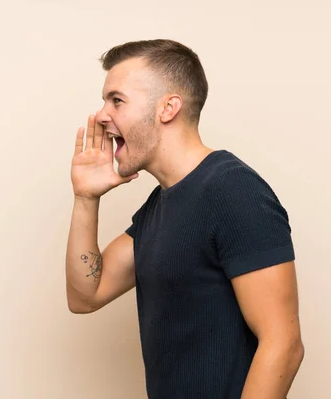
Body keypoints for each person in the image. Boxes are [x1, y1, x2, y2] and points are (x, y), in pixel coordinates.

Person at [65, 39, 304, 398]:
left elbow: (283, 344)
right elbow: (86, 296)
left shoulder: (232, 189)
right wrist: (85, 198)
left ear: (167, 108)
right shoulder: (161, 203)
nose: (101, 115)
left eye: (117, 100)